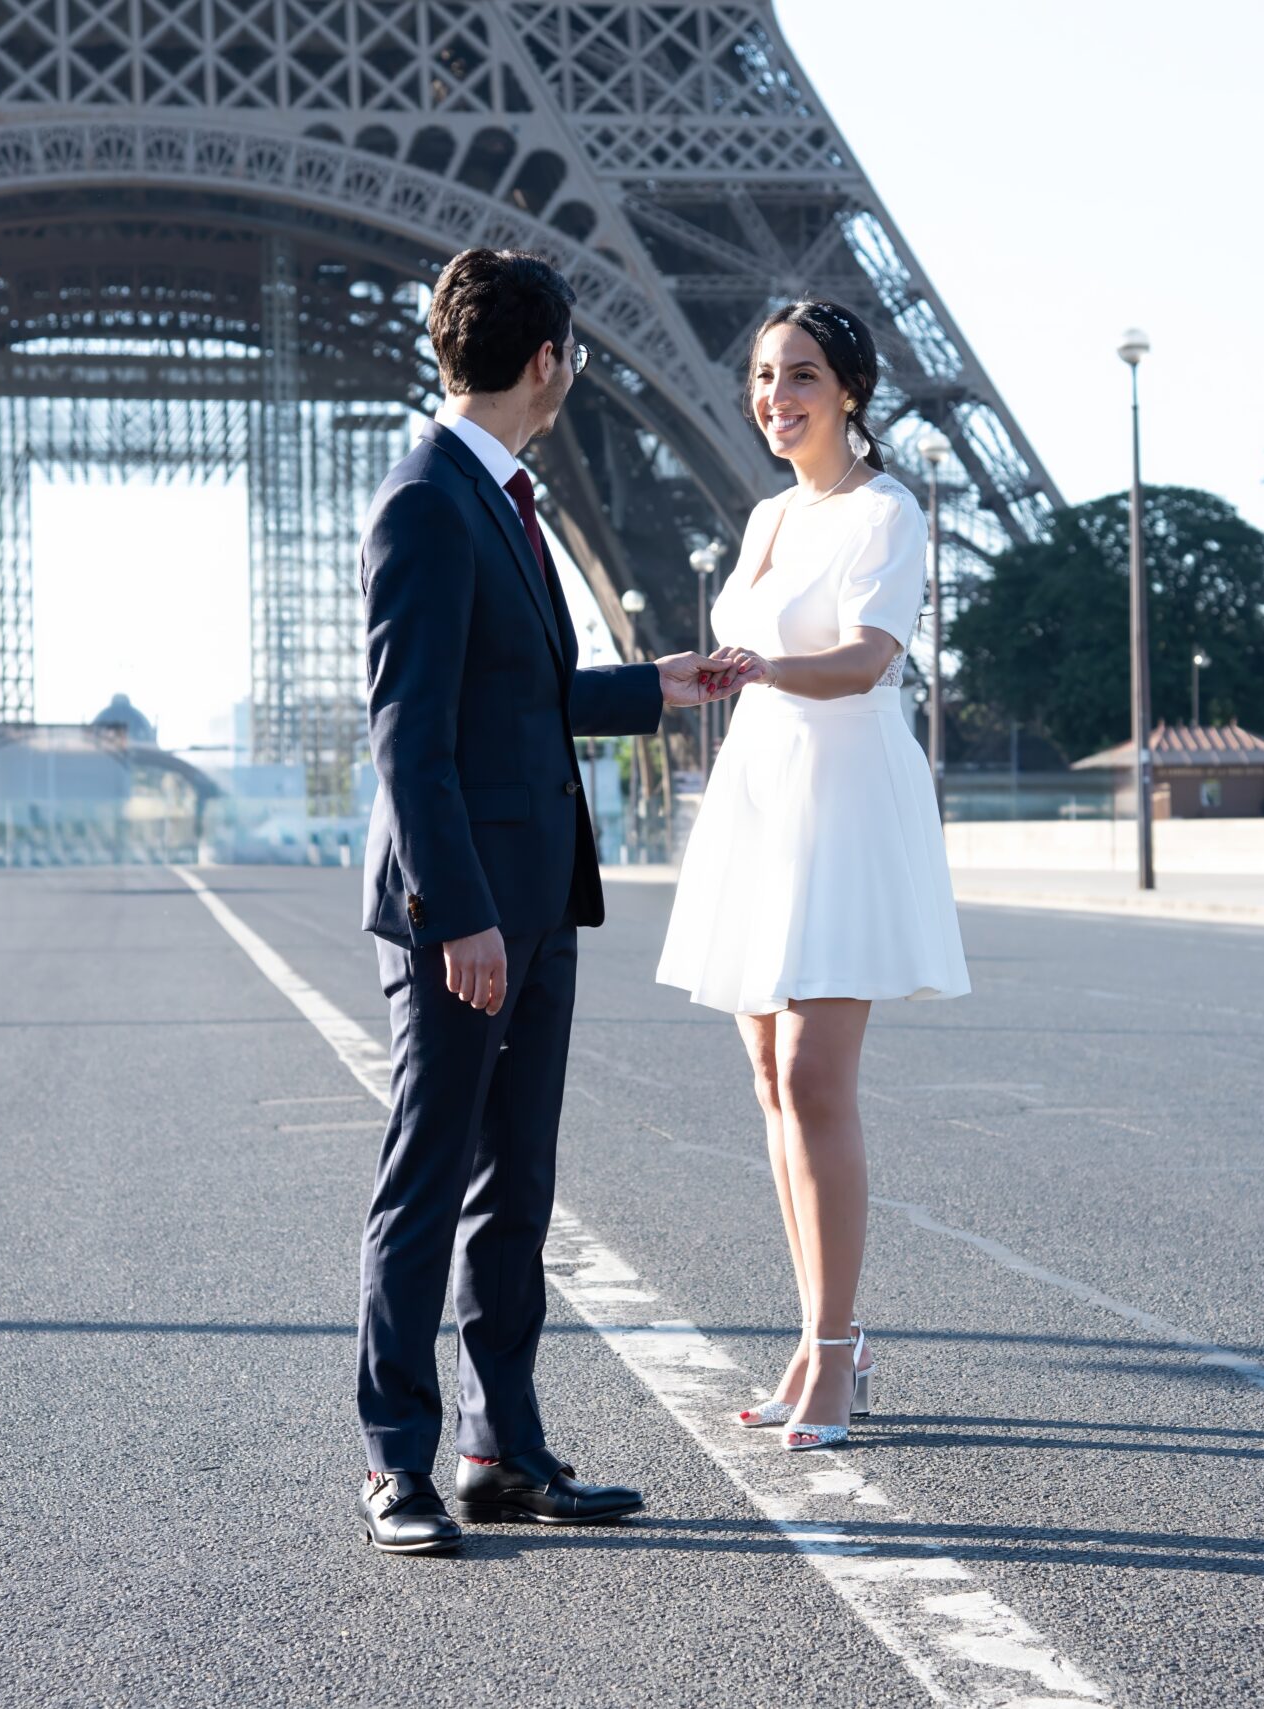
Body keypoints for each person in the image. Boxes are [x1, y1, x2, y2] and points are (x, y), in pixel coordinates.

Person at [353, 247, 740, 1555]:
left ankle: (499, 1447)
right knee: (427, 1183)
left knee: (517, 1186)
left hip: (535, 896)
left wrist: (653, 684)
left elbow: (512, 692)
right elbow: (407, 733)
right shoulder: (427, 501)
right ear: (547, 362)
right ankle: (396, 1461)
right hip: (464, 911)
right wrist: (456, 910)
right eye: (571, 356)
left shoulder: (492, 495)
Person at [655, 300, 970, 1451]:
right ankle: (817, 1332)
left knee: (813, 1073)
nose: (773, 397)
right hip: (762, 788)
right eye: (761, 375)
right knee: (768, 1078)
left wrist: (758, 668)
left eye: (799, 375)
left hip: (841, 799)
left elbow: (867, 659)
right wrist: (712, 675)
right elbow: (765, 656)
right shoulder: (768, 515)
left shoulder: (887, 511)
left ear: (849, 390)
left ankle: (835, 1350)